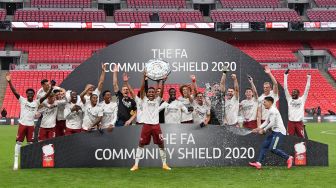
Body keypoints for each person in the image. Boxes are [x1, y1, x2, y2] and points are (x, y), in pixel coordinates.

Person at [6, 72, 52, 170]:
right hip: (22, 125)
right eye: (29, 93)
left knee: (30, 144)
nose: (30, 94)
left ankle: (28, 162)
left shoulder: (36, 102)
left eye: (32, 93)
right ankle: (15, 162)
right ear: (26, 94)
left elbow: (46, 96)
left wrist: (51, 88)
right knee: (18, 142)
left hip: (31, 125)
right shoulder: (23, 100)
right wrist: (9, 82)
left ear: (33, 95)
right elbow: (14, 91)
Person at [130, 72, 171, 171]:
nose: (151, 93)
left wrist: (162, 82)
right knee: (141, 145)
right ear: (147, 94)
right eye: (150, 92)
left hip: (156, 126)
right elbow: (142, 89)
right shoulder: (143, 100)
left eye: (153, 92)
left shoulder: (157, 100)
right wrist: (143, 79)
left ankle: (164, 164)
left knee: (161, 144)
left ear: (155, 93)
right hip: (146, 126)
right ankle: (136, 165)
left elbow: (160, 93)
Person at [249, 97, 293, 170]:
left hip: (279, 132)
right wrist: (258, 128)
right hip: (274, 132)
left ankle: (288, 157)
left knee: (273, 148)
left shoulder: (273, 111)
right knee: (264, 146)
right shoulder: (270, 110)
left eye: (265, 102)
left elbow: (272, 123)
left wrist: (264, 130)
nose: (263, 103)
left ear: (270, 102)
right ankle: (259, 163)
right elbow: (267, 121)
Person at [284, 69, 311, 138]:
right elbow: (285, 88)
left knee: (302, 139)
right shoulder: (289, 99)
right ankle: (289, 149)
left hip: (299, 123)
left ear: (298, 94)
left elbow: (307, 89)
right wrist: (285, 75)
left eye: (294, 93)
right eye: (292, 93)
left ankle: (303, 149)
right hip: (291, 123)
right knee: (289, 139)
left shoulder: (302, 99)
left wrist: (309, 77)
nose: (292, 94)